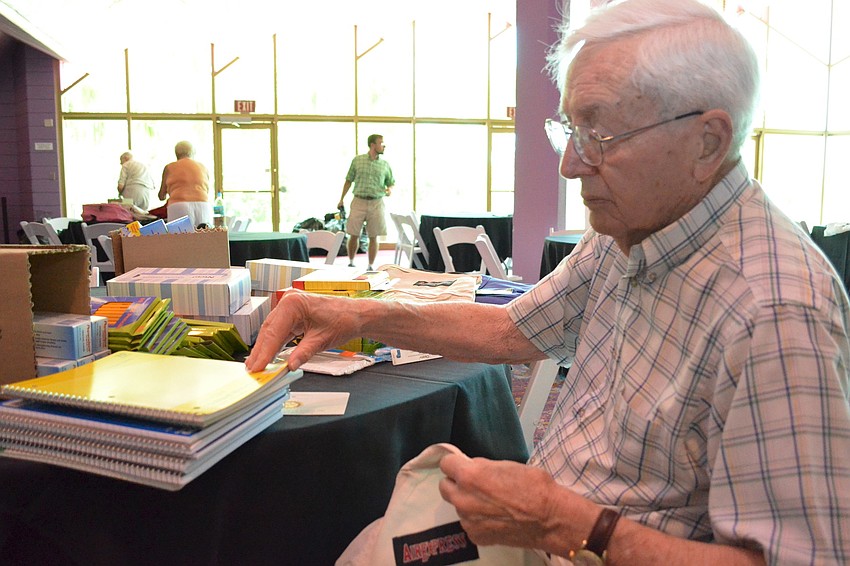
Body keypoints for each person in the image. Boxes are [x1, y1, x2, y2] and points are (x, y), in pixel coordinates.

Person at [247, 0, 850, 563]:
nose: (569, 164)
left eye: (600, 136)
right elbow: (516, 329)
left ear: (708, 140)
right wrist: (362, 315)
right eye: (570, 130)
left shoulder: (775, 308)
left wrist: (570, 524)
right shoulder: (627, 233)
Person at [337, 134, 395, 270]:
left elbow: (391, 182)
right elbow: (348, 180)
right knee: (353, 233)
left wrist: (389, 190)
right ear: (373, 145)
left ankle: (370, 266)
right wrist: (341, 199)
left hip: (377, 202)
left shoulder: (385, 165)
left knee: (374, 235)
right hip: (358, 201)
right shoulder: (357, 160)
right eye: (381, 143)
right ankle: (351, 262)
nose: (384, 146)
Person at [157, 140, 213, 228]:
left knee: (180, 240)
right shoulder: (203, 167)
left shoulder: (169, 167)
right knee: (204, 239)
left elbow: (161, 196)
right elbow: (207, 191)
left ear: (176, 154)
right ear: (193, 153)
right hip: (203, 205)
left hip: (179, 205)